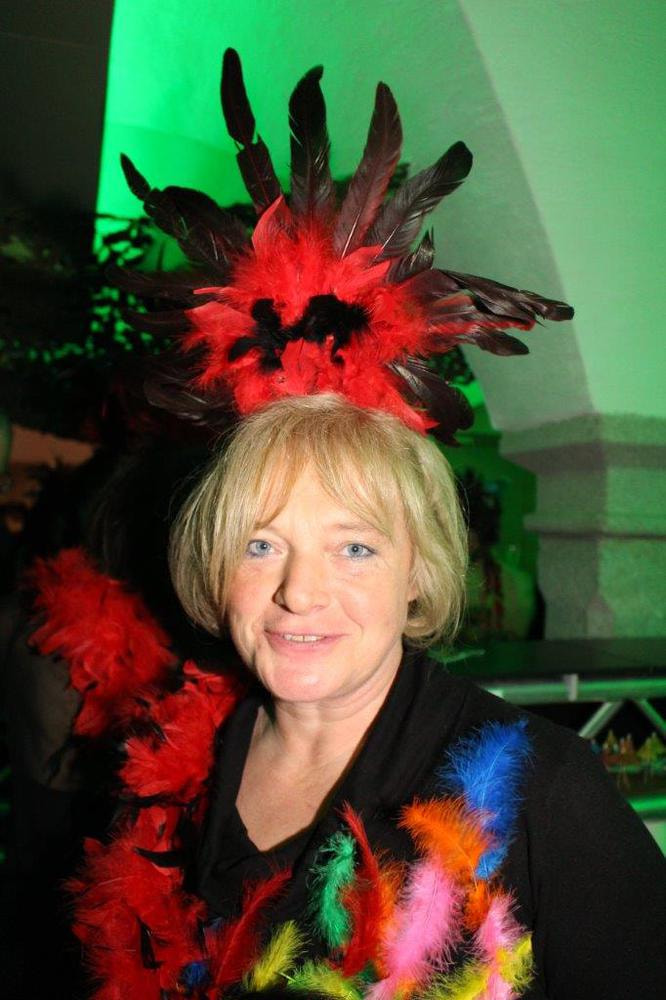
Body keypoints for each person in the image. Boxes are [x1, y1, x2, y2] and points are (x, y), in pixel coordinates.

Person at [32, 48, 664, 1000]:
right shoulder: (171, 768)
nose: (298, 592)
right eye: (262, 543)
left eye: (355, 546)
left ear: (420, 568)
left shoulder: (546, 796)